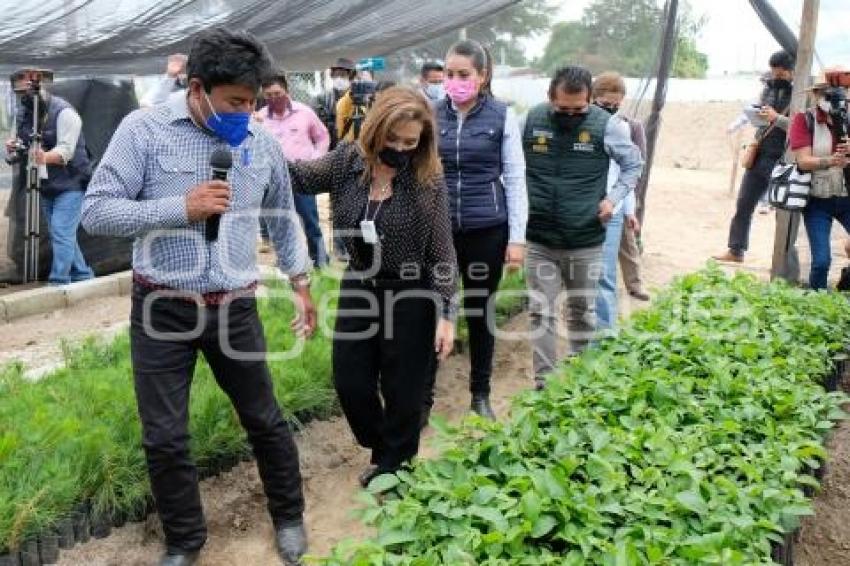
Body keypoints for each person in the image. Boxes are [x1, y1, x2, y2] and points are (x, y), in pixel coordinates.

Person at [81, 28, 314, 566]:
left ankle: (288, 516)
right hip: (163, 307)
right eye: (235, 101)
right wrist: (176, 209)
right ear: (199, 87)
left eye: (253, 102)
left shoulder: (259, 144)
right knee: (164, 436)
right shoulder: (143, 130)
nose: (246, 112)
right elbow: (97, 211)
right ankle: (185, 540)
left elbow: (282, 221)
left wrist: (301, 284)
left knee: (264, 418)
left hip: (235, 307)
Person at [288, 86, 457, 487]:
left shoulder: (426, 177)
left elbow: (443, 250)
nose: (400, 148)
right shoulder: (348, 162)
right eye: (392, 139)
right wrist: (255, 144)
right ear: (375, 129)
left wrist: (448, 313)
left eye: (409, 142)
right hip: (361, 284)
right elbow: (297, 176)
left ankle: (395, 467)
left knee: (404, 387)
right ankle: (384, 448)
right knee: (350, 379)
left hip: (412, 292)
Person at [523, 66, 642, 390]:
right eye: (563, 109)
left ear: (590, 100)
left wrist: (614, 199)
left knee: (581, 310)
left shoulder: (608, 126)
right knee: (541, 312)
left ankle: (579, 377)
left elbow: (634, 163)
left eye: (579, 109)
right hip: (539, 238)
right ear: (550, 98)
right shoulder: (530, 122)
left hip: (585, 238)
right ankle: (544, 384)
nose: (571, 115)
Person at [426, 39, 526, 421]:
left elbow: (515, 179)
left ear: (482, 77)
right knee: (435, 307)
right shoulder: (432, 115)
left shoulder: (502, 116)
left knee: (479, 310)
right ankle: (424, 396)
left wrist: (516, 238)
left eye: (463, 74)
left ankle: (480, 394)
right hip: (440, 232)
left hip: (487, 230)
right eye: (449, 74)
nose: (454, 81)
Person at [6, 69, 94, 285]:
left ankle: (59, 281)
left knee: (60, 231)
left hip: (72, 182)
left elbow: (66, 151)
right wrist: (13, 148)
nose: (23, 98)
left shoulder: (65, 113)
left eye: (28, 91)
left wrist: (44, 156)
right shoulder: (25, 113)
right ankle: (83, 275)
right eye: (20, 93)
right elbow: (20, 145)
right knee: (63, 234)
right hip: (45, 184)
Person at [713, 51, 795, 263]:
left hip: (783, 156)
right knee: (744, 203)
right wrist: (757, 116)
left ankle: (783, 260)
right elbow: (760, 115)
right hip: (760, 152)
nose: (776, 78)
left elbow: (801, 128)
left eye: (781, 74)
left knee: (783, 210)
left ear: (792, 71)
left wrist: (777, 119)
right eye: (774, 73)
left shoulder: (801, 94)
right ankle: (736, 249)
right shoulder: (767, 87)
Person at [256, 71, 330, 267]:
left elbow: (322, 136)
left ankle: (320, 261)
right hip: (274, 178)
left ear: (287, 90)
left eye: (277, 93)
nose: (274, 98)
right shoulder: (260, 119)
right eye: (269, 95)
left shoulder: (304, 112)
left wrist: (315, 159)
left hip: (302, 174)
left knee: (310, 219)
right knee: (281, 223)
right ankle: (288, 263)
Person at [591, 72, 647, 331]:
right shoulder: (582, 125)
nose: (611, 109)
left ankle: (606, 333)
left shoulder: (623, 127)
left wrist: (628, 209)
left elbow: (628, 173)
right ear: (592, 98)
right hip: (581, 206)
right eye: (605, 104)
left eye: (616, 105)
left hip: (610, 208)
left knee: (605, 274)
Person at [789, 70, 850, 290]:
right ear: (815, 95)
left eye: (837, 92)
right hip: (818, 199)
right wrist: (832, 161)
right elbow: (803, 161)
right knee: (822, 262)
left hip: (846, 195)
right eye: (825, 93)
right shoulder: (804, 119)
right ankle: (816, 307)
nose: (831, 97)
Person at [313, 57, 357, 261]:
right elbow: (319, 128)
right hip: (334, 157)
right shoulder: (322, 100)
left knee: (357, 203)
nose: (340, 78)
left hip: (358, 158)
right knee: (337, 202)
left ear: (351, 76)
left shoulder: (360, 98)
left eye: (344, 74)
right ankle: (340, 248)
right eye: (336, 74)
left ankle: (355, 246)